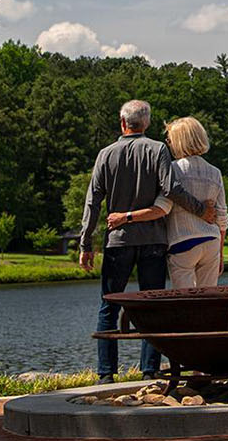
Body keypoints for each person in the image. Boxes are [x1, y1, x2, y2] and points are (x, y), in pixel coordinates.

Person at [77, 100, 216, 378]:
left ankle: (106, 374)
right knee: (153, 306)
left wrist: (85, 243)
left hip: (119, 241)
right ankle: (149, 370)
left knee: (109, 306)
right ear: (147, 123)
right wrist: (202, 211)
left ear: (122, 122)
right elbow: (172, 189)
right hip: (154, 240)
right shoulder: (158, 149)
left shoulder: (105, 155)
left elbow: (92, 202)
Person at [162, 116, 228, 288]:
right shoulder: (215, 172)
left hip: (182, 240)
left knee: (184, 301)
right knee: (208, 299)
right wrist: (220, 253)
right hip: (211, 241)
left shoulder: (172, 170)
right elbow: (222, 217)